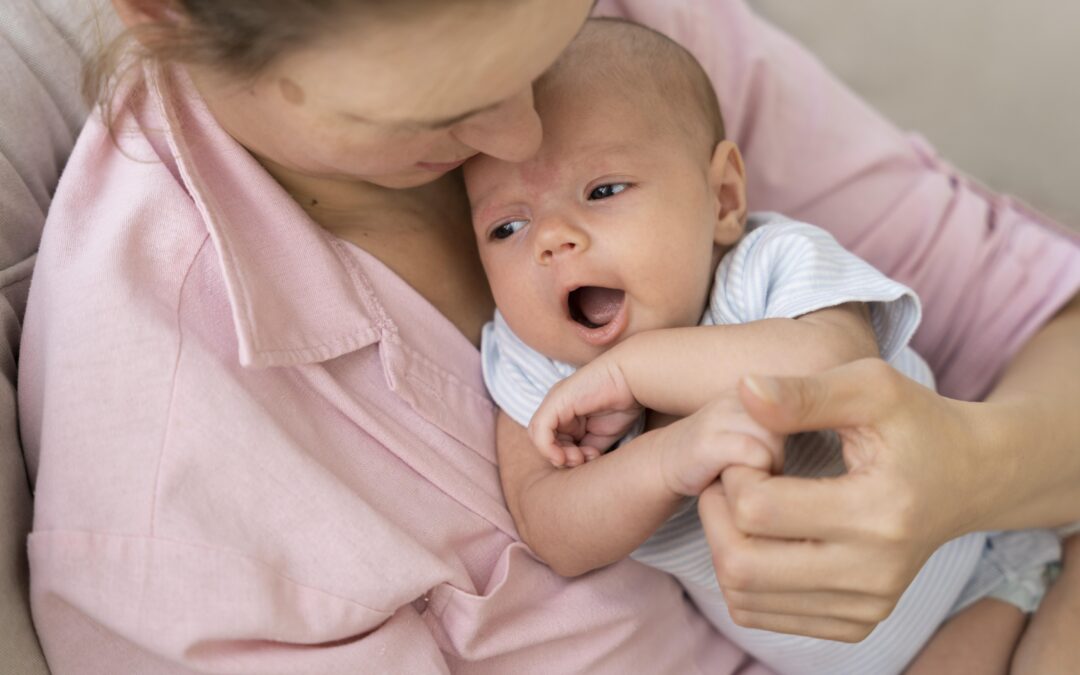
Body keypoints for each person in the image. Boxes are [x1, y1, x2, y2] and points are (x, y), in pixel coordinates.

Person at [17, 0, 1080, 672]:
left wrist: (979, 471)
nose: (525, 138)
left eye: (545, 37)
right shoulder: (163, 484)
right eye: (446, 112)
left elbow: (1034, 311)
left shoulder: (637, 40)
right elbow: (557, 513)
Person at [467, 19, 1066, 675]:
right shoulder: (532, 363)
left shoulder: (767, 264)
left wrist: (631, 372)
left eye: (604, 190)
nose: (552, 239)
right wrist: (668, 460)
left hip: (975, 581)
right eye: (508, 226)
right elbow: (550, 525)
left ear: (723, 197)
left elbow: (834, 364)